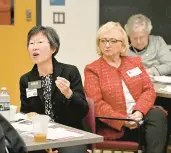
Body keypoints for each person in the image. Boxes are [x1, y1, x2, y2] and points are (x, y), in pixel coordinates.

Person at [84, 21, 167, 153]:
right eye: (103, 40)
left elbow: (148, 90)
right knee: (154, 132)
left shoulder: (134, 62)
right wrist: (124, 120)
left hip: (141, 117)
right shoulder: (92, 69)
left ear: (122, 44)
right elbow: (97, 104)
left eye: (112, 41)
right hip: (116, 125)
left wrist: (139, 111)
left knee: (158, 116)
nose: (107, 45)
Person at [19, 26, 89, 153]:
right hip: (39, 135)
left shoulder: (69, 72)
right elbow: (25, 113)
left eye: (40, 42)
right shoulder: (26, 80)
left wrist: (69, 94)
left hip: (69, 133)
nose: (34, 47)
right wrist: (30, 117)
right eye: (31, 43)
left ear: (53, 48)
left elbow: (82, 110)